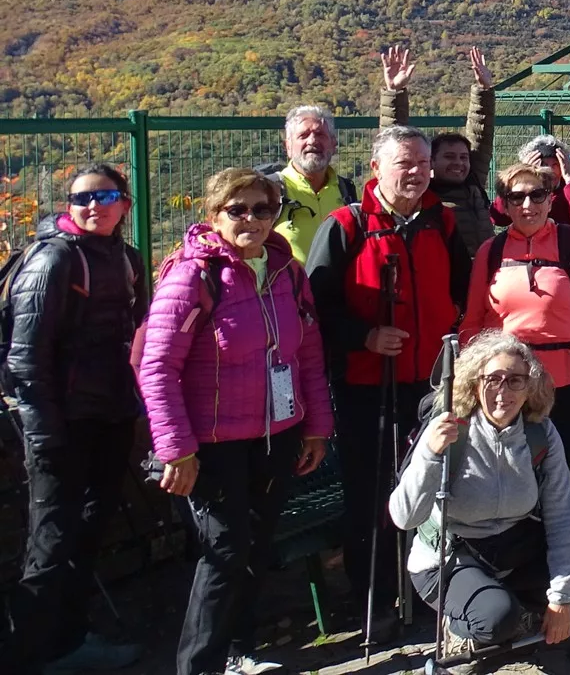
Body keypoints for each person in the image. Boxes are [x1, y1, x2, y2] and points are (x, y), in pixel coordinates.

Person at [137, 168, 334, 675]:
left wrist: (316, 427)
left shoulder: (286, 271)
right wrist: (176, 449)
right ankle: (199, 665)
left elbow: (307, 354)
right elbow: (157, 367)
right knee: (224, 553)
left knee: (255, 547)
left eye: (262, 209)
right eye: (237, 209)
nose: (251, 219)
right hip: (213, 443)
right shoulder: (192, 277)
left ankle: (239, 652)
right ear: (213, 215)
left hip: (276, 437)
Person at [307, 125, 472, 640]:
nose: (417, 172)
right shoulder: (345, 226)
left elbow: (462, 290)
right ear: (377, 168)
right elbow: (315, 309)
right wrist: (365, 336)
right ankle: (372, 596)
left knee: (431, 487)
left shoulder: (441, 221)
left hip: (430, 384)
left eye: (423, 162)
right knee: (371, 492)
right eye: (405, 163)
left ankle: (423, 584)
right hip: (366, 385)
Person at [3, 165, 147, 674]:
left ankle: (70, 642)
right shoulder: (54, 260)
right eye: (81, 198)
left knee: (86, 532)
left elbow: (138, 335)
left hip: (108, 416)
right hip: (61, 424)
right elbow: (24, 358)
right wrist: (45, 434)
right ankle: (30, 653)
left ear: (125, 204)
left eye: (105, 197)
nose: (92, 206)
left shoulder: (126, 258)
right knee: (51, 540)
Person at [389, 332, 570, 650]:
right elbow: (404, 517)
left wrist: (561, 597)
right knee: (496, 619)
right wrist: (429, 454)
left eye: (515, 380)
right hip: (449, 557)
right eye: (492, 379)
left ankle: (515, 608)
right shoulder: (447, 429)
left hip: (511, 552)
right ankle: (466, 626)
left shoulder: (540, 432)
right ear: (473, 383)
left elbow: (561, 513)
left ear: (529, 387)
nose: (502, 392)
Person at [461, 163, 570, 454]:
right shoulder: (490, 251)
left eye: (537, 195)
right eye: (517, 197)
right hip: (504, 379)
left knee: (555, 462)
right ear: (505, 205)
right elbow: (472, 321)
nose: (528, 205)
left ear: (550, 200)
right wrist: (472, 378)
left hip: (563, 381)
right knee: (507, 463)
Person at [378, 44, 498, 254]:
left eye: (463, 157)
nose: (458, 163)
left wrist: (484, 90)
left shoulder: (473, 183)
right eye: (449, 157)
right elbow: (393, 142)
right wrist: (395, 93)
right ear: (431, 161)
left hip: (484, 271)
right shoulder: (421, 194)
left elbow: (481, 134)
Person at [263, 105, 358, 259]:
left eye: (320, 134)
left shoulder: (348, 192)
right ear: (288, 146)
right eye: (303, 135)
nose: (312, 141)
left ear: (333, 144)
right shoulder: (269, 191)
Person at [489, 136, 570, 229]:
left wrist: (569, 179)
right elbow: (498, 218)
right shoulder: (522, 191)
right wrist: (520, 176)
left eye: (555, 165)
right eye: (543, 165)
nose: (550, 170)